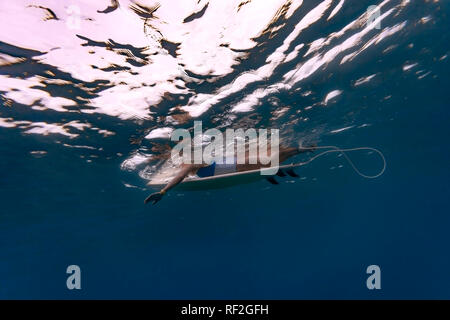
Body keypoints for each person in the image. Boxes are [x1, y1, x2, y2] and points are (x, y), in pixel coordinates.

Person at [144, 143, 316, 204]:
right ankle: (275, 170)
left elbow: (180, 177)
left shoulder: (190, 162)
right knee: (269, 159)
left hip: (238, 165)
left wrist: (163, 191)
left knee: (273, 157)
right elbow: (182, 174)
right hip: (235, 163)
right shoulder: (191, 162)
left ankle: (301, 149)